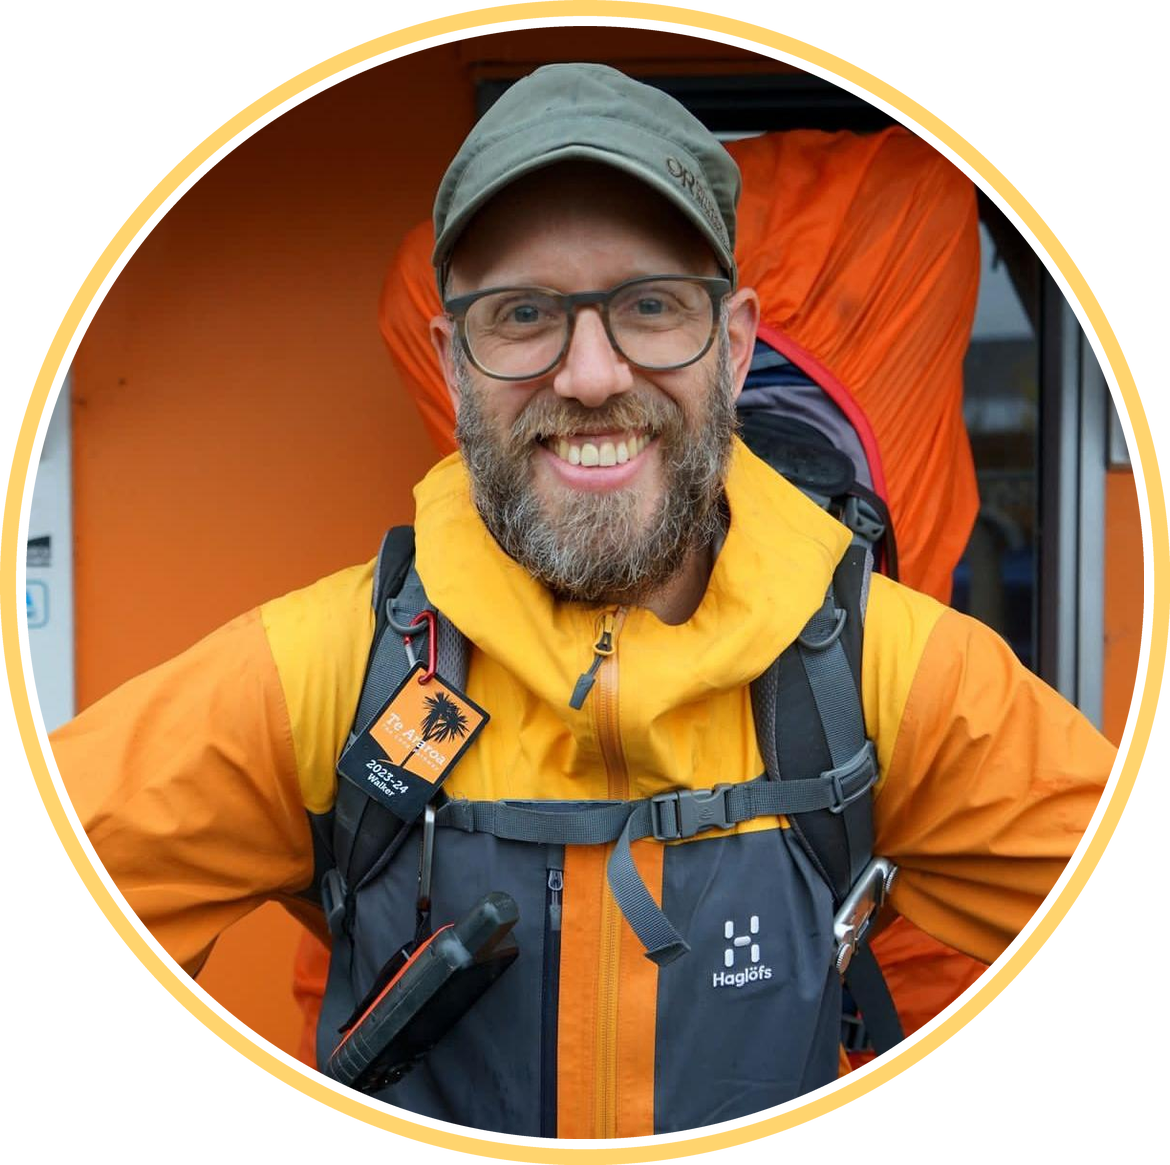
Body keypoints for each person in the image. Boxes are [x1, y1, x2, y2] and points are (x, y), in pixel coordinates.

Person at [53, 63, 1114, 1138]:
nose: (593, 375)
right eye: (523, 314)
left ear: (734, 344)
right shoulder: (323, 676)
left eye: (650, 306)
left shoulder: (891, 675)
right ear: (453, 363)